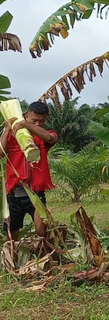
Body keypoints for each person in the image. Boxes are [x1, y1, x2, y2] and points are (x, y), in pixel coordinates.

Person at [0, 101, 58, 241]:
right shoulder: (11, 135)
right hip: (14, 193)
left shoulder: (44, 134)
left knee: (42, 230)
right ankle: (13, 260)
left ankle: (48, 257)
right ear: (26, 115)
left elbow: (51, 138)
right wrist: (7, 130)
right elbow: (0, 153)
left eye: (41, 121)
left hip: (36, 193)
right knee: (11, 234)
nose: (38, 124)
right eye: (34, 120)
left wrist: (27, 125)